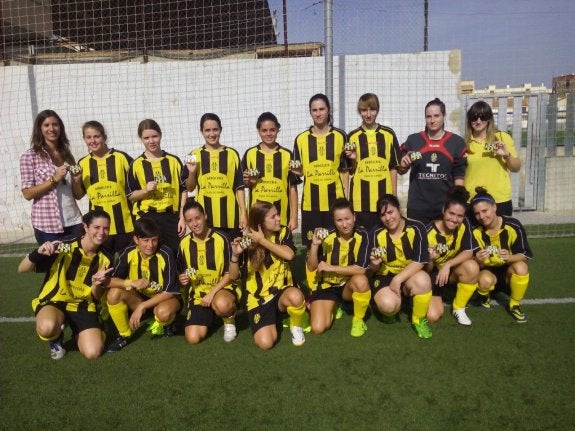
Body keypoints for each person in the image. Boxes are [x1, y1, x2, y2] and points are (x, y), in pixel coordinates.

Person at [18, 209, 114, 360]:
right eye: (96, 227)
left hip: (83, 305)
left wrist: (96, 283)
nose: (101, 232)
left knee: (93, 353)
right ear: (85, 227)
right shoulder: (63, 246)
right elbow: (22, 269)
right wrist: (37, 253)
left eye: (106, 228)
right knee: (46, 328)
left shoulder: (106, 259)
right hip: (55, 300)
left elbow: (96, 296)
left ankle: (88, 328)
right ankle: (56, 338)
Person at [229, 201, 306, 350]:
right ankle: (274, 317)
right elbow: (233, 276)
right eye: (273, 216)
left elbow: (289, 255)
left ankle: (295, 326)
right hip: (260, 299)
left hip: (282, 291)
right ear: (260, 223)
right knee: (266, 343)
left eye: (277, 214)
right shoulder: (247, 242)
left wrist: (262, 241)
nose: (278, 218)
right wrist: (235, 255)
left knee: (296, 296)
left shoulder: (284, 232)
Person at [106, 218, 181, 352]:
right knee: (113, 293)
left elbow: (170, 291)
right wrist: (131, 282)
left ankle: (168, 321)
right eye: (145, 240)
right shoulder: (128, 252)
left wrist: (142, 306)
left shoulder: (165, 253)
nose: (150, 245)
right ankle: (124, 335)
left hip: (164, 299)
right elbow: (109, 281)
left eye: (154, 240)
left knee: (163, 313)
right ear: (136, 239)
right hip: (140, 299)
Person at [368, 194, 433, 339]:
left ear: (399, 209)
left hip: (410, 275)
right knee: (388, 306)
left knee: (423, 281)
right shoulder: (375, 233)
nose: (388, 218)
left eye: (390, 212)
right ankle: (396, 307)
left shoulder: (417, 227)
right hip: (385, 276)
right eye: (383, 215)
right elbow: (371, 270)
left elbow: (420, 260)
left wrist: (397, 279)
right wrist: (373, 264)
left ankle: (418, 320)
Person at [306, 198, 371, 337]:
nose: (344, 224)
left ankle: (358, 319)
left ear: (354, 217)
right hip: (326, 285)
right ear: (334, 221)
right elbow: (311, 267)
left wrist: (331, 267)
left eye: (347, 218)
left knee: (361, 280)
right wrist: (315, 245)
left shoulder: (364, 235)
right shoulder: (326, 236)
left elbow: (361, 269)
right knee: (318, 328)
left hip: (347, 286)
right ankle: (334, 306)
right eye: (339, 220)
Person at [293, 93, 351, 247]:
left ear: (329, 110)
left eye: (322, 109)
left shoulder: (340, 136)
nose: (318, 113)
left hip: (335, 203)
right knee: (313, 247)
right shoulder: (301, 139)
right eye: (314, 110)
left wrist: (346, 200)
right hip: (311, 204)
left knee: (336, 246)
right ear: (310, 112)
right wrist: (297, 170)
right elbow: (300, 173)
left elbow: (344, 171)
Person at [177, 198, 238, 344]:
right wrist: (182, 279)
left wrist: (212, 294)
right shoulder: (184, 244)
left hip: (222, 289)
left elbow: (230, 274)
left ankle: (229, 321)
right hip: (199, 295)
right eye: (190, 220)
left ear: (205, 216)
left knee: (223, 304)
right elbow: (182, 272)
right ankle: (211, 315)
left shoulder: (222, 238)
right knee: (193, 338)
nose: (195, 223)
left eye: (197, 218)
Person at [398, 98, 467, 225]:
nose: (432, 120)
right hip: (418, 207)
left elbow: (459, 178)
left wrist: (458, 205)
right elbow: (401, 170)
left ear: (444, 116)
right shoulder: (414, 140)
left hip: (444, 208)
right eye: (428, 116)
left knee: (442, 245)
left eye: (436, 116)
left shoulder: (456, 142)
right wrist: (403, 165)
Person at [19, 109, 83, 244]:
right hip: (48, 227)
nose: (51, 129)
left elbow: (77, 195)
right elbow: (27, 194)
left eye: (55, 124)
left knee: (74, 262)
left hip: (74, 222)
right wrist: (53, 179)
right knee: (53, 263)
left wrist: (77, 181)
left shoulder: (67, 155)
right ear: (39, 129)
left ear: (60, 127)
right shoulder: (29, 156)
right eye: (46, 125)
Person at [470, 187, 533, 323]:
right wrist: (478, 259)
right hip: (487, 273)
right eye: (477, 213)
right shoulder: (475, 231)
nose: (482, 216)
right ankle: (484, 296)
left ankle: (514, 304)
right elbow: (473, 263)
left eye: (485, 211)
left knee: (521, 267)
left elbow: (525, 255)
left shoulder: (513, 225)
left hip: (507, 274)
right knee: (484, 280)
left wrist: (510, 258)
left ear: (494, 207)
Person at [72, 120, 134, 255]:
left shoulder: (122, 158)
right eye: (88, 137)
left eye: (96, 136)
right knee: (103, 271)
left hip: (126, 225)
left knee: (130, 270)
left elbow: (136, 187)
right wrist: (76, 182)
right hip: (99, 230)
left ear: (104, 137)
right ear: (84, 139)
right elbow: (78, 195)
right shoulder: (82, 163)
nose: (93, 141)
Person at [126, 119, 187, 255]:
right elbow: (131, 196)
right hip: (147, 218)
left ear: (160, 135)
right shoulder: (136, 165)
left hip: (171, 217)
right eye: (146, 138)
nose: (151, 141)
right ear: (141, 139)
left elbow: (183, 190)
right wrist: (145, 191)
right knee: (151, 256)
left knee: (174, 254)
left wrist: (182, 217)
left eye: (154, 136)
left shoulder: (174, 161)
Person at [183, 113, 247, 240]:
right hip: (205, 217)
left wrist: (243, 213)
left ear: (220, 130)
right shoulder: (194, 154)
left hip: (230, 216)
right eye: (207, 130)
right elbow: (189, 188)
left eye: (215, 129)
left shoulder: (232, 154)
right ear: (201, 131)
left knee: (233, 254)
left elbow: (239, 187)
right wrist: (191, 172)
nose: (212, 134)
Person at [346, 93, 402, 229]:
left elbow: (393, 168)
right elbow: (349, 171)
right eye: (364, 110)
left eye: (372, 109)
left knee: (383, 243)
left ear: (378, 110)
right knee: (363, 242)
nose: (368, 114)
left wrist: (394, 198)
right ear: (359, 111)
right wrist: (353, 160)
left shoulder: (388, 134)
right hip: (361, 201)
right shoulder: (352, 136)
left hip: (384, 201)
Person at [425, 186, 479, 326]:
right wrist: (430, 259)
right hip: (433, 277)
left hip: (450, 272)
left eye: (459, 216)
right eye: (451, 213)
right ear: (444, 211)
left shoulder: (464, 225)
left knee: (472, 266)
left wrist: (448, 265)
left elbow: (469, 251)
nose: (455, 219)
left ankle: (459, 308)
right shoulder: (428, 232)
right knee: (432, 317)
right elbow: (425, 270)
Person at [242, 112, 301, 231]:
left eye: (272, 130)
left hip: (281, 216)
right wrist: (250, 182)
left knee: (280, 248)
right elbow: (244, 185)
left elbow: (292, 188)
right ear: (258, 131)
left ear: (278, 130)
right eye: (264, 130)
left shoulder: (287, 155)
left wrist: (294, 216)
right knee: (258, 249)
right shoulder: (250, 154)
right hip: (257, 215)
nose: (268, 134)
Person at [464, 101, 521, 217]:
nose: (478, 121)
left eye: (483, 117)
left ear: (489, 119)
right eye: (474, 117)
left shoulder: (501, 137)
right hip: (472, 201)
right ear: (469, 120)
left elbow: (516, 168)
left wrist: (507, 155)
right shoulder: (464, 143)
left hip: (498, 200)